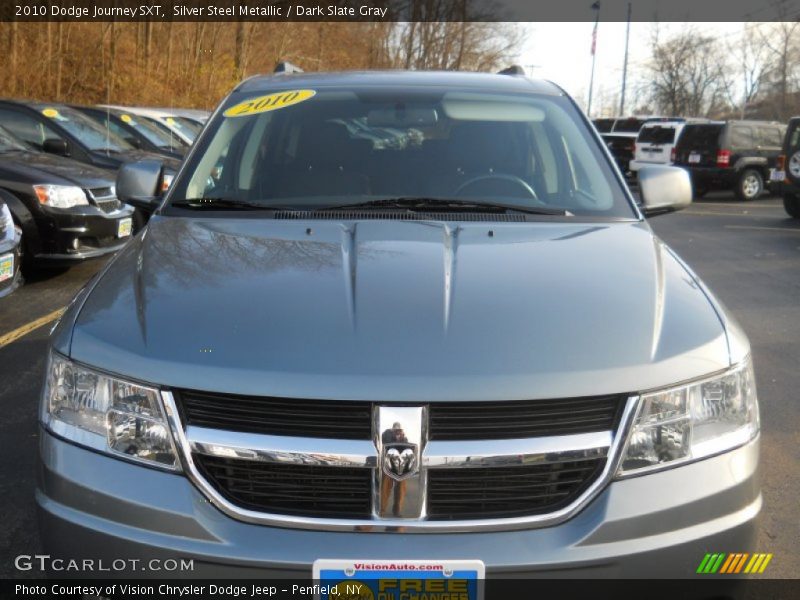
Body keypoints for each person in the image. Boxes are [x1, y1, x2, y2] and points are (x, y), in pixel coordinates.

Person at [381, 422, 409, 517]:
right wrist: (394, 436)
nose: (398, 431)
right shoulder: (387, 433)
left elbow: (406, 447)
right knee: (385, 487)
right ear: (392, 428)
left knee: (401, 488)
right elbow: (386, 443)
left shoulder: (403, 437)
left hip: (401, 465)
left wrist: (402, 438)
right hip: (388, 463)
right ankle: (381, 509)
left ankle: (397, 510)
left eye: (399, 430)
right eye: (396, 429)